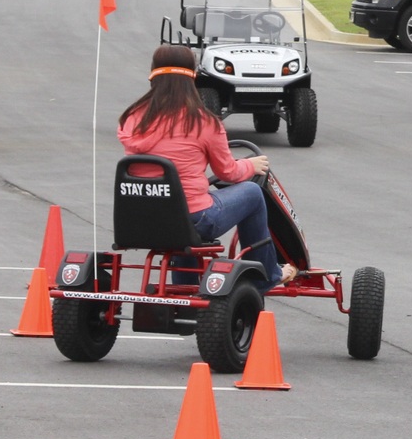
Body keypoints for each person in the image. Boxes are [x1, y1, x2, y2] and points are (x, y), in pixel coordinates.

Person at [118, 44, 296, 286]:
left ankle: (185, 287)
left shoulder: (133, 119)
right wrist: (250, 166)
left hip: (141, 218)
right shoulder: (203, 122)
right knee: (252, 193)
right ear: (193, 78)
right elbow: (228, 172)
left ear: (153, 75)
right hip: (192, 219)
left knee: (185, 207)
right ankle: (267, 275)